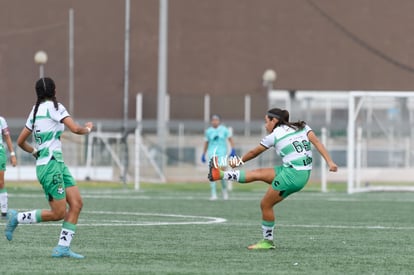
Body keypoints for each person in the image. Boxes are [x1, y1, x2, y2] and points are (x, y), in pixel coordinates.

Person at [208, 108, 338, 249]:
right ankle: (219, 175)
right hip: (295, 171)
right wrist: (330, 162)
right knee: (258, 173)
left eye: (266, 121)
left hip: (293, 176)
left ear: (274, 120)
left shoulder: (275, 135)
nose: (265, 125)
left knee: (266, 205)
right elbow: (317, 142)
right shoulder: (301, 126)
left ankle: (267, 241)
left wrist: (238, 162)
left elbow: (254, 152)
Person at [4, 77, 93, 259]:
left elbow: (20, 142)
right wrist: (88, 129)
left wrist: (36, 152)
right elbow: (75, 129)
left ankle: (62, 248)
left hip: (56, 164)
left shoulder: (35, 111)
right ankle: (17, 218)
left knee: (76, 204)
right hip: (50, 166)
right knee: (58, 213)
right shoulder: (55, 107)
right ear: (54, 90)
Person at [202, 114, 236, 200]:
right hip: (212, 154)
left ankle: (224, 190)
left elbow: (230, 139)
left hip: (222, 154)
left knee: (221, 173)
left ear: (219, 121)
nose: (215, 121)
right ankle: (213, 194)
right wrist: (203, 154)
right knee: (213, 173)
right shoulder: (208, 131)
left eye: (216, 120)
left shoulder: (224, 130)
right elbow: (206, 142)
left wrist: (233, 150)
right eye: (213, 120)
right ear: (211, 121)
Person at [0, 116, 17, 217]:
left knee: (1, 182)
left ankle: (4, 209)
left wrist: (12, 154)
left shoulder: (1, 120)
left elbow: (7, 137)